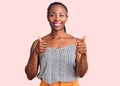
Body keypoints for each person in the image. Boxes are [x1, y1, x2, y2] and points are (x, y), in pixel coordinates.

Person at [25, 2, 88, 86]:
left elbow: (81, 74)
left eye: (61, 15)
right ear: (47, 17)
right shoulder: (38, 43)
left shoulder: (77, 43)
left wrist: (84, 55)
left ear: (66, 18)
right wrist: (35, 53)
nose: (57, 19)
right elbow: (30, 76)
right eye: (52, 15)